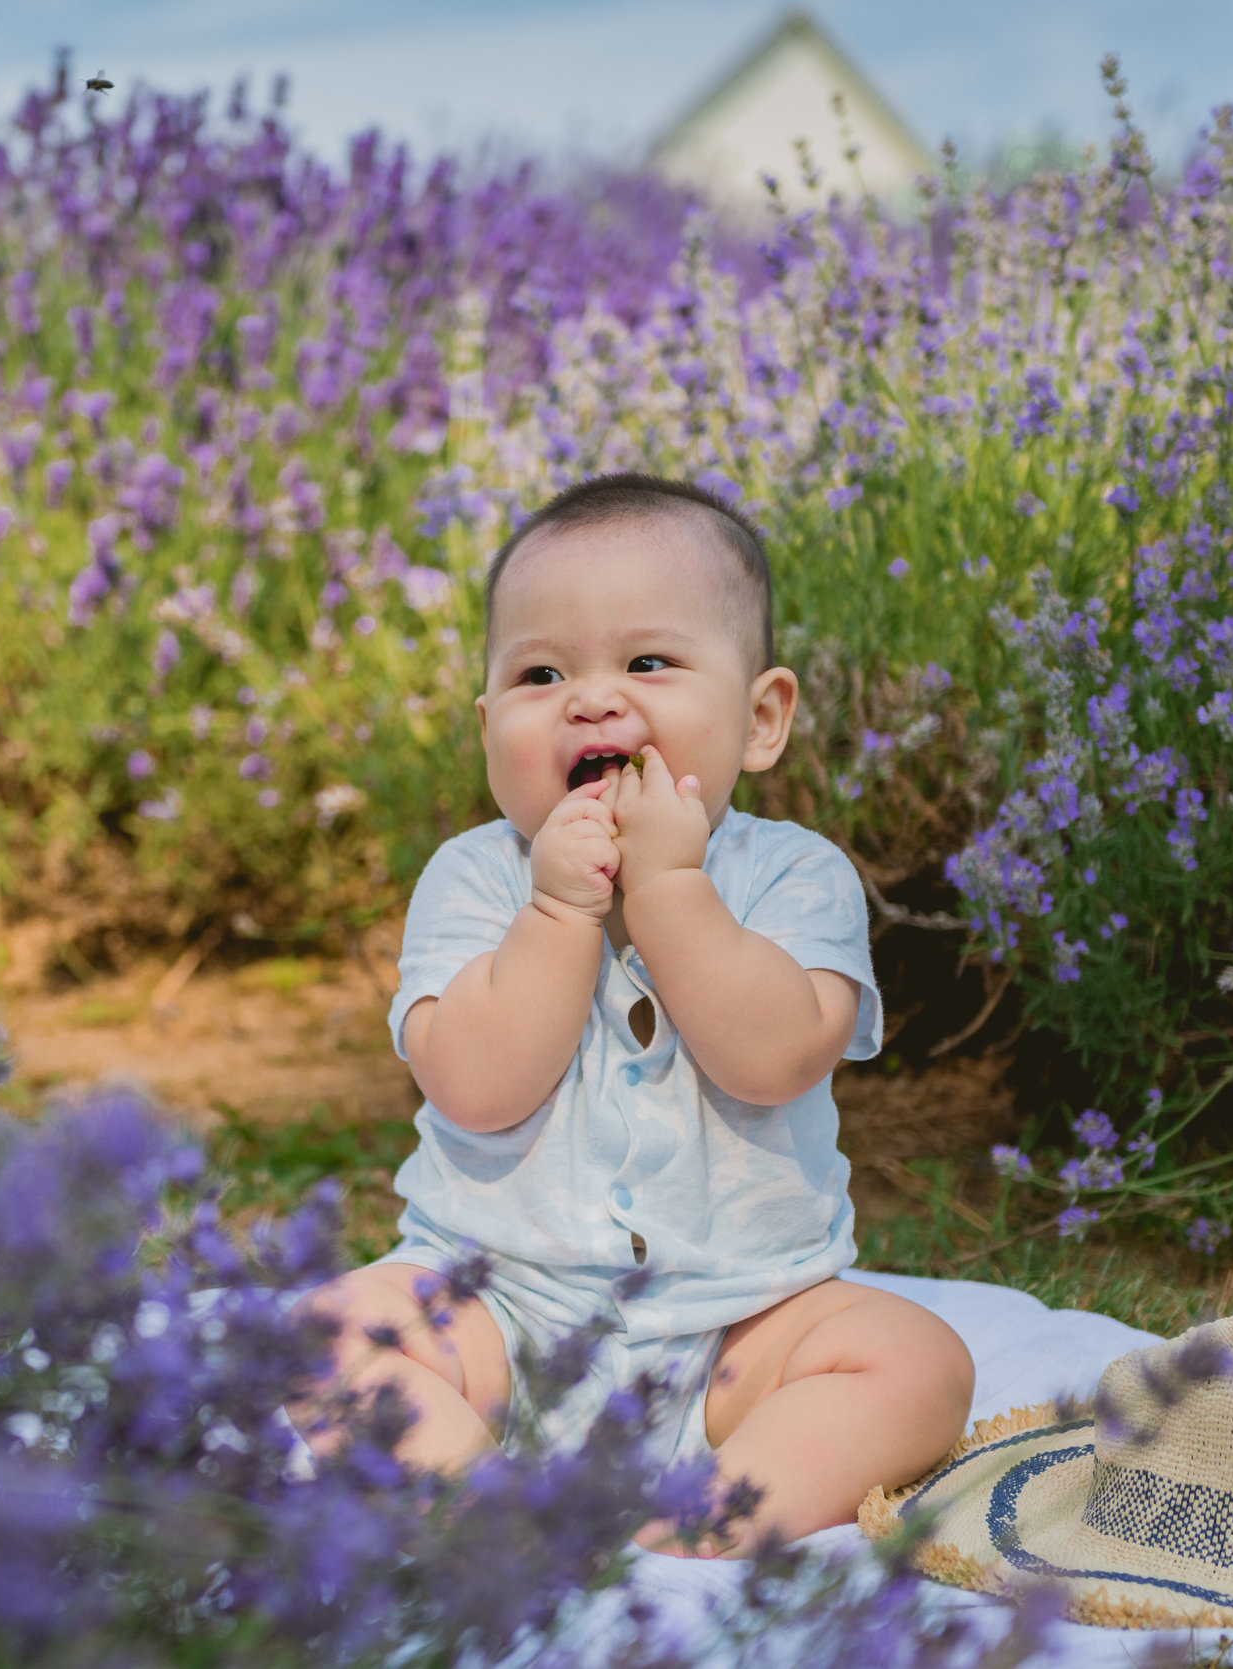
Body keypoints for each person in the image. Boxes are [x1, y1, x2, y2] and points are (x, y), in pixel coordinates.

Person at [294, 473, 974, 1551]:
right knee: (324, 1335)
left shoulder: (797, 877)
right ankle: (481, 1506)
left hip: (735, 1333)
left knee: (917, 1362)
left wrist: (667, 892)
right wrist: (560, 911)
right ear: (487, 728)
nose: (592, 698)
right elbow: (474, 1089)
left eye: (646, 662)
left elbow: (775, 1059)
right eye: (540, 672)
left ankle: (699, 1514)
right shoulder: (473, 881)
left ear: (760, 719)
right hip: (498, 1313)